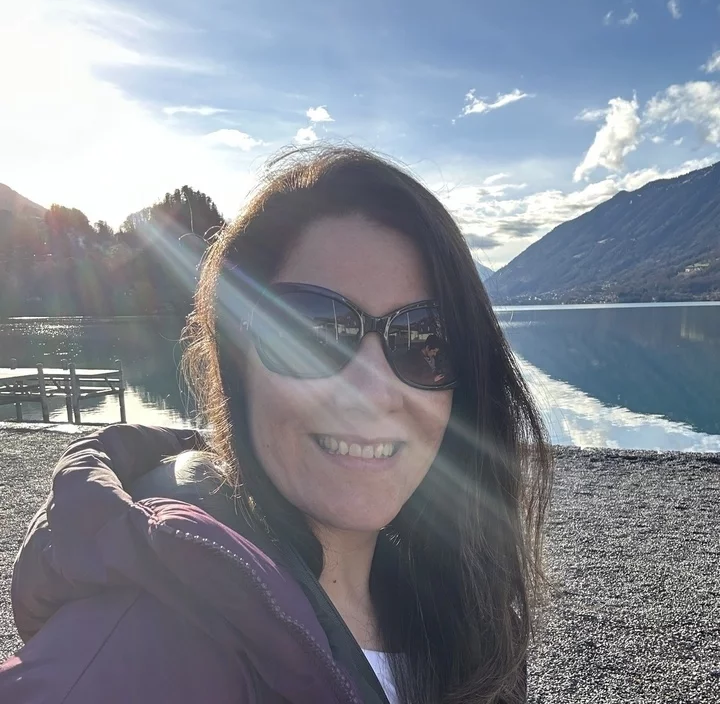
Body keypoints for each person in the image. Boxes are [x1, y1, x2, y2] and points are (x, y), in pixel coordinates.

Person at [0, 146, 552, 704]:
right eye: (311, 332)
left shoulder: (460, 617)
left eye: (426, 339)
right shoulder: (133, 648)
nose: (372, 393)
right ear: (237, 359)